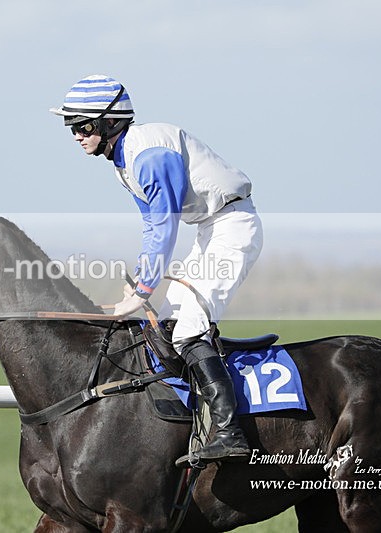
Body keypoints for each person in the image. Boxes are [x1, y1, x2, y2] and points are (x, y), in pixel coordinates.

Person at [51, 74, 264, 462]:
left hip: (231, 228)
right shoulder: (124, 161)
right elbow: (152, 226)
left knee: (187, 330)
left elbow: (165, 224)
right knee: (164, 329)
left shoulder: (148, 156)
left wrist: (143, 290)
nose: (77, 135)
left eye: (83, 126)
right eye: (72, 127)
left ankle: (230, 433)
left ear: (109, 121)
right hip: (210, 230)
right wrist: (140, 284)